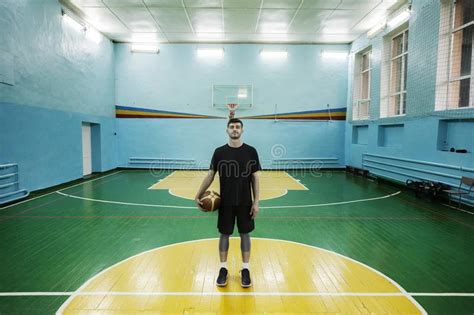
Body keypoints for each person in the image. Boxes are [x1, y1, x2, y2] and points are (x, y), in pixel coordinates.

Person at [195, 118, 261, 288]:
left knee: (245, 234)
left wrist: (256, 202)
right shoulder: (219, 152)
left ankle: (245, 269)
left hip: (245, 202)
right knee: (224, 234)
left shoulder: (251, 151)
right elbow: (210, 175)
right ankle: (223, 268)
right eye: (231, 127)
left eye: (238, 127)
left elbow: (255, 178)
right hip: (225, 202)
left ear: (242, 130)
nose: (234, 129)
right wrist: (198, 194)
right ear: (227, 130)